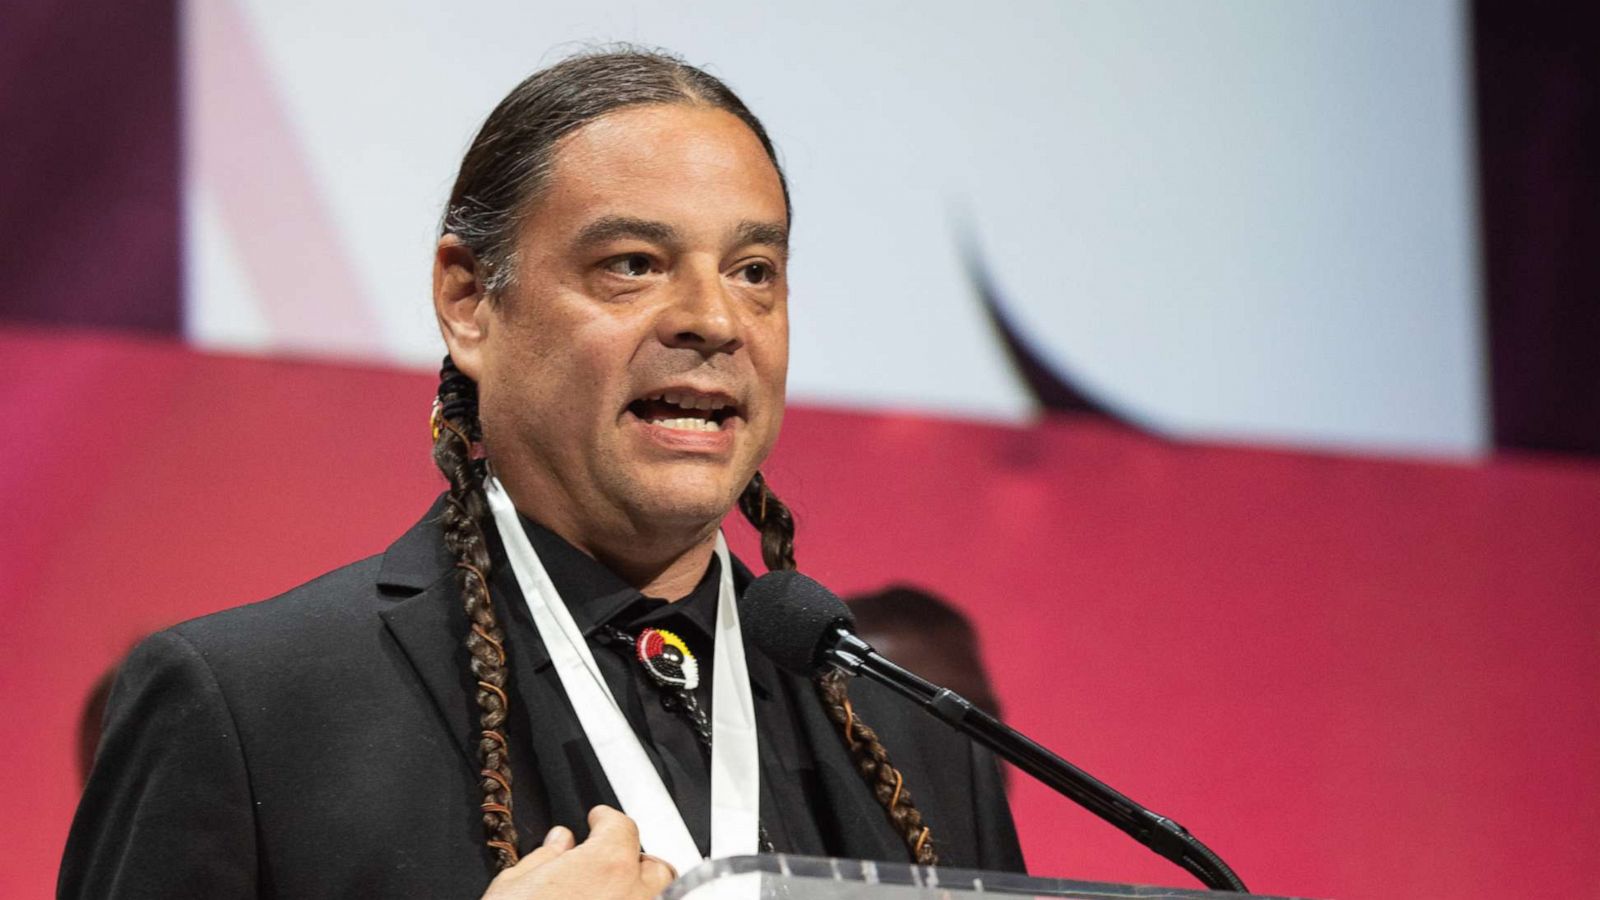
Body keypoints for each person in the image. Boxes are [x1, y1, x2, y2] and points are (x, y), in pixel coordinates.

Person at [60, 49, 1023, 899]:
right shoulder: (249, 711)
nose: (715, 320)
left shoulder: (916, 738)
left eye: (754, 270)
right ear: (469, 301)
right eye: (634, 263)